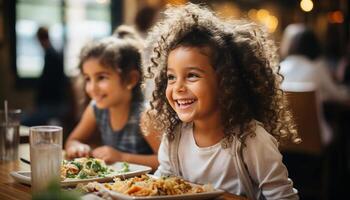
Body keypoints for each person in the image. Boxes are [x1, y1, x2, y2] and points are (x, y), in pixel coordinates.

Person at [144, 3, 299, 199]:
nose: (178, 88)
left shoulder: (250, 139)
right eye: (171, 77)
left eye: (192, 75)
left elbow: (284, 197)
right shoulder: (174, 137)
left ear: (227, 82)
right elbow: (162, 186)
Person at [65, 25, 159, 170]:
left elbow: (166, 162)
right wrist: (77, 147)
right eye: (88, 79)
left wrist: (121, 157)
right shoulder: (96, 108)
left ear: (131, 80)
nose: (92, 88)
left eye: (101, 77)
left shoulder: (145, 116)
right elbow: (72, 140)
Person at [280, 24, 350, 145]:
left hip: (285, 139)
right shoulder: (317, 67)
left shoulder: (280, 68)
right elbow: (338, 96)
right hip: (315, 138)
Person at [21, 26, 70, 126]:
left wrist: (36, 106)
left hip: (53, 105)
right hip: (54, 103)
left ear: (39, 39)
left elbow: (48, 85)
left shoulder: (51, 56)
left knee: (23, 121)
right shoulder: (52, 54)